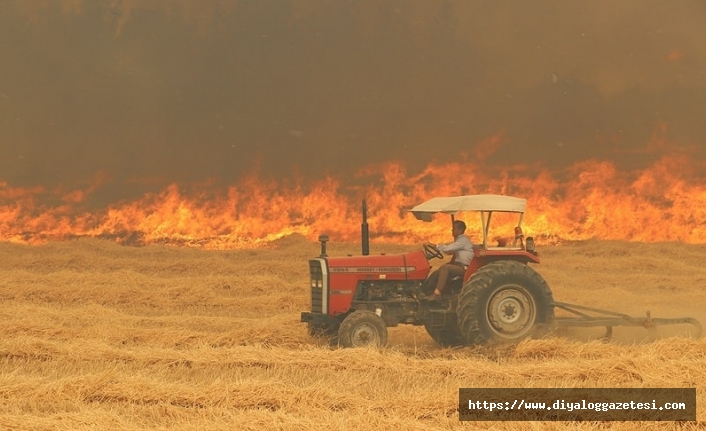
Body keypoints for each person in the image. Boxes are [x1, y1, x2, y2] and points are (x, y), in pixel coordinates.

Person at [421, 220, 474, 298]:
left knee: (445, 268)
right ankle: (424, 291)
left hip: (464, 267)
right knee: (438, 271)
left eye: (454, 228)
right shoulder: (459, 240)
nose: (452, 230)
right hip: (458, 265)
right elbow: (449, 251)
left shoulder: (463, 240)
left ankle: (437, 293)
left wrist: (437, 247)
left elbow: (448, 248)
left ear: (460, 229)